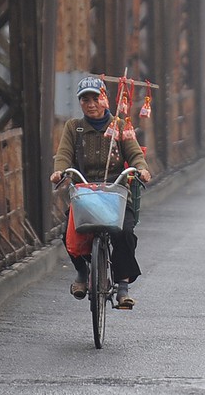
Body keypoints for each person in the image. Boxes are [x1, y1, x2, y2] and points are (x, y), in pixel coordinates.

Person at [50, 76, 151, 309]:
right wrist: (59, 172)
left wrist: (142, 168)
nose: (91, 104)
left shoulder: (120, 125)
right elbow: (64, 154)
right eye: (85, 99)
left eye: (96, 98)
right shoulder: (73, 128)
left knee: (124, 232)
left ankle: (123, 288)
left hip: (115, 192)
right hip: (84, 193)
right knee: (68, 231)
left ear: (104, 98)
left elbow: (134, 153)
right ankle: (82, 273)